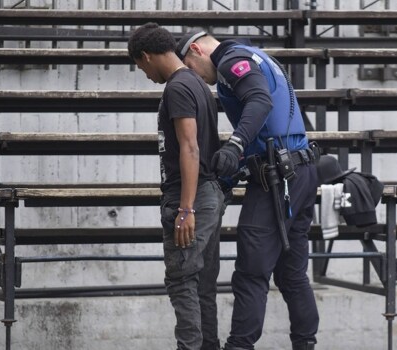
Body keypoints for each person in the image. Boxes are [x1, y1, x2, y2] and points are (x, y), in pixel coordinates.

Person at [176, 30, 319, 350]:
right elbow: (279, 121)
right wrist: (239, 165)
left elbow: (260, 101)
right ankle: (306, 344)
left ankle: (239, 346)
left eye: (189, 66)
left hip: (278, 179)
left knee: (251, 272)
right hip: (301, 169)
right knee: (291, 274)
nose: (196, 78)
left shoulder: (230, 61)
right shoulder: (258, 55)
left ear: (197, 50)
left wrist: (235, 145)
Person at [128, 23, 224, 350]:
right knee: (202, 286)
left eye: (140, 66)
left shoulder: (178, 87)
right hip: (209, 193)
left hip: (191, 197)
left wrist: (186, 208)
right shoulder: (198, 84)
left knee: (182, 282)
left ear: (146, 56)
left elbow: (190, 147)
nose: (143, 73)